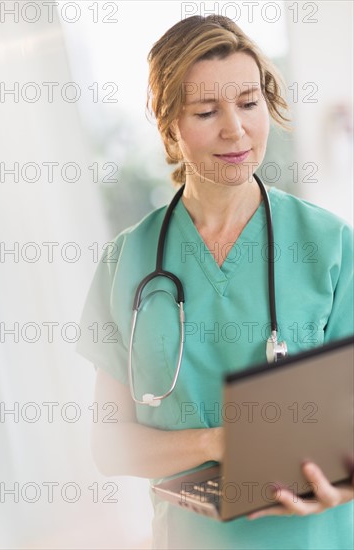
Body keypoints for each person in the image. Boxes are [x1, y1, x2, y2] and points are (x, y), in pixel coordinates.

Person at [77, 15, 354, 550]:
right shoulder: (127, 261)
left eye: (250, 103)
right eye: (206, 111)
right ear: (169, 126)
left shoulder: (330, 246)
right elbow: (110, 446)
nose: (236, 129)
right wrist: (215, 441)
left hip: (317, 536)